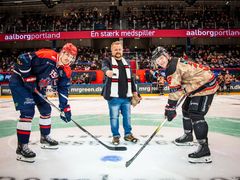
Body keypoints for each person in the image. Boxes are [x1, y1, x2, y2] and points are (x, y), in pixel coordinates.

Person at [9, 43, 78, 163]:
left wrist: (65, 108)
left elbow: (63, 90)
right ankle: (22, 147)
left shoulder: (66, 71)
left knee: (46, 109)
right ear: (61, 52)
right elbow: (22, 58)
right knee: (28, 111)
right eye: (66, 54)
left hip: (36, 85)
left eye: (71, 57)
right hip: (20, 81)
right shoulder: (47, 55)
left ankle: (45, 138)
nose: (68, 58)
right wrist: (27, 76)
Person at [152, 46, 218, 163]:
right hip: (196, 84)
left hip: (205, 85)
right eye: (157, 60)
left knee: (196, 114)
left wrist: (170, 107)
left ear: (167, 56)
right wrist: (171, 107)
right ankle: (188, 136)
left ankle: (204, 149)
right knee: (186, 109)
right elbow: (179, 85)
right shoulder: (173, 62)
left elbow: (175, 91)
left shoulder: (171, 67)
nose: (160, 61)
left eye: (161, 58)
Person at [101, 41, 141, 145]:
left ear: (122, 50)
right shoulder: (108, 60)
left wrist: (135, 92)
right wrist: (107, 72)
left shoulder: (126, 62)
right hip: (114, 97)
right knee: (114, 118)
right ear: (112, 51)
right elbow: (104, 67)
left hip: (126, 97)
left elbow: (131, 79)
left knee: (127, 117)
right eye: (115, 49)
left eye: (119, 49)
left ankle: (128, 135)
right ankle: (115, 136)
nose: (118, 51)